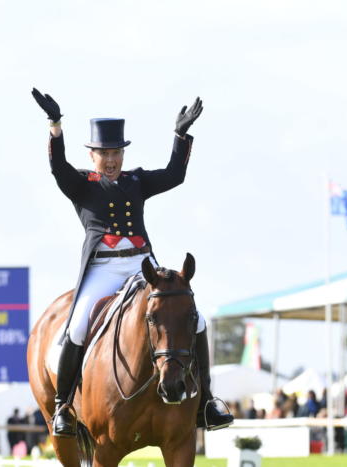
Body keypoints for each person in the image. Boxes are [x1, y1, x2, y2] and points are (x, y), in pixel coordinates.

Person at [31, 88, 233, 437]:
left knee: (195, 321)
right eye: (104, 153)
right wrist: (55, 126)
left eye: (116, 153)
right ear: (93, 155)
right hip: (104, 268)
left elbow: (174, 175)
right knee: (77, 327)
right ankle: (64, 405)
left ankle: (206, 403)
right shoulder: (80, 184)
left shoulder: (136, 181)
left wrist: (180, 136)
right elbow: (57, 167)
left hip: (142, 266)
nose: (111, 160)